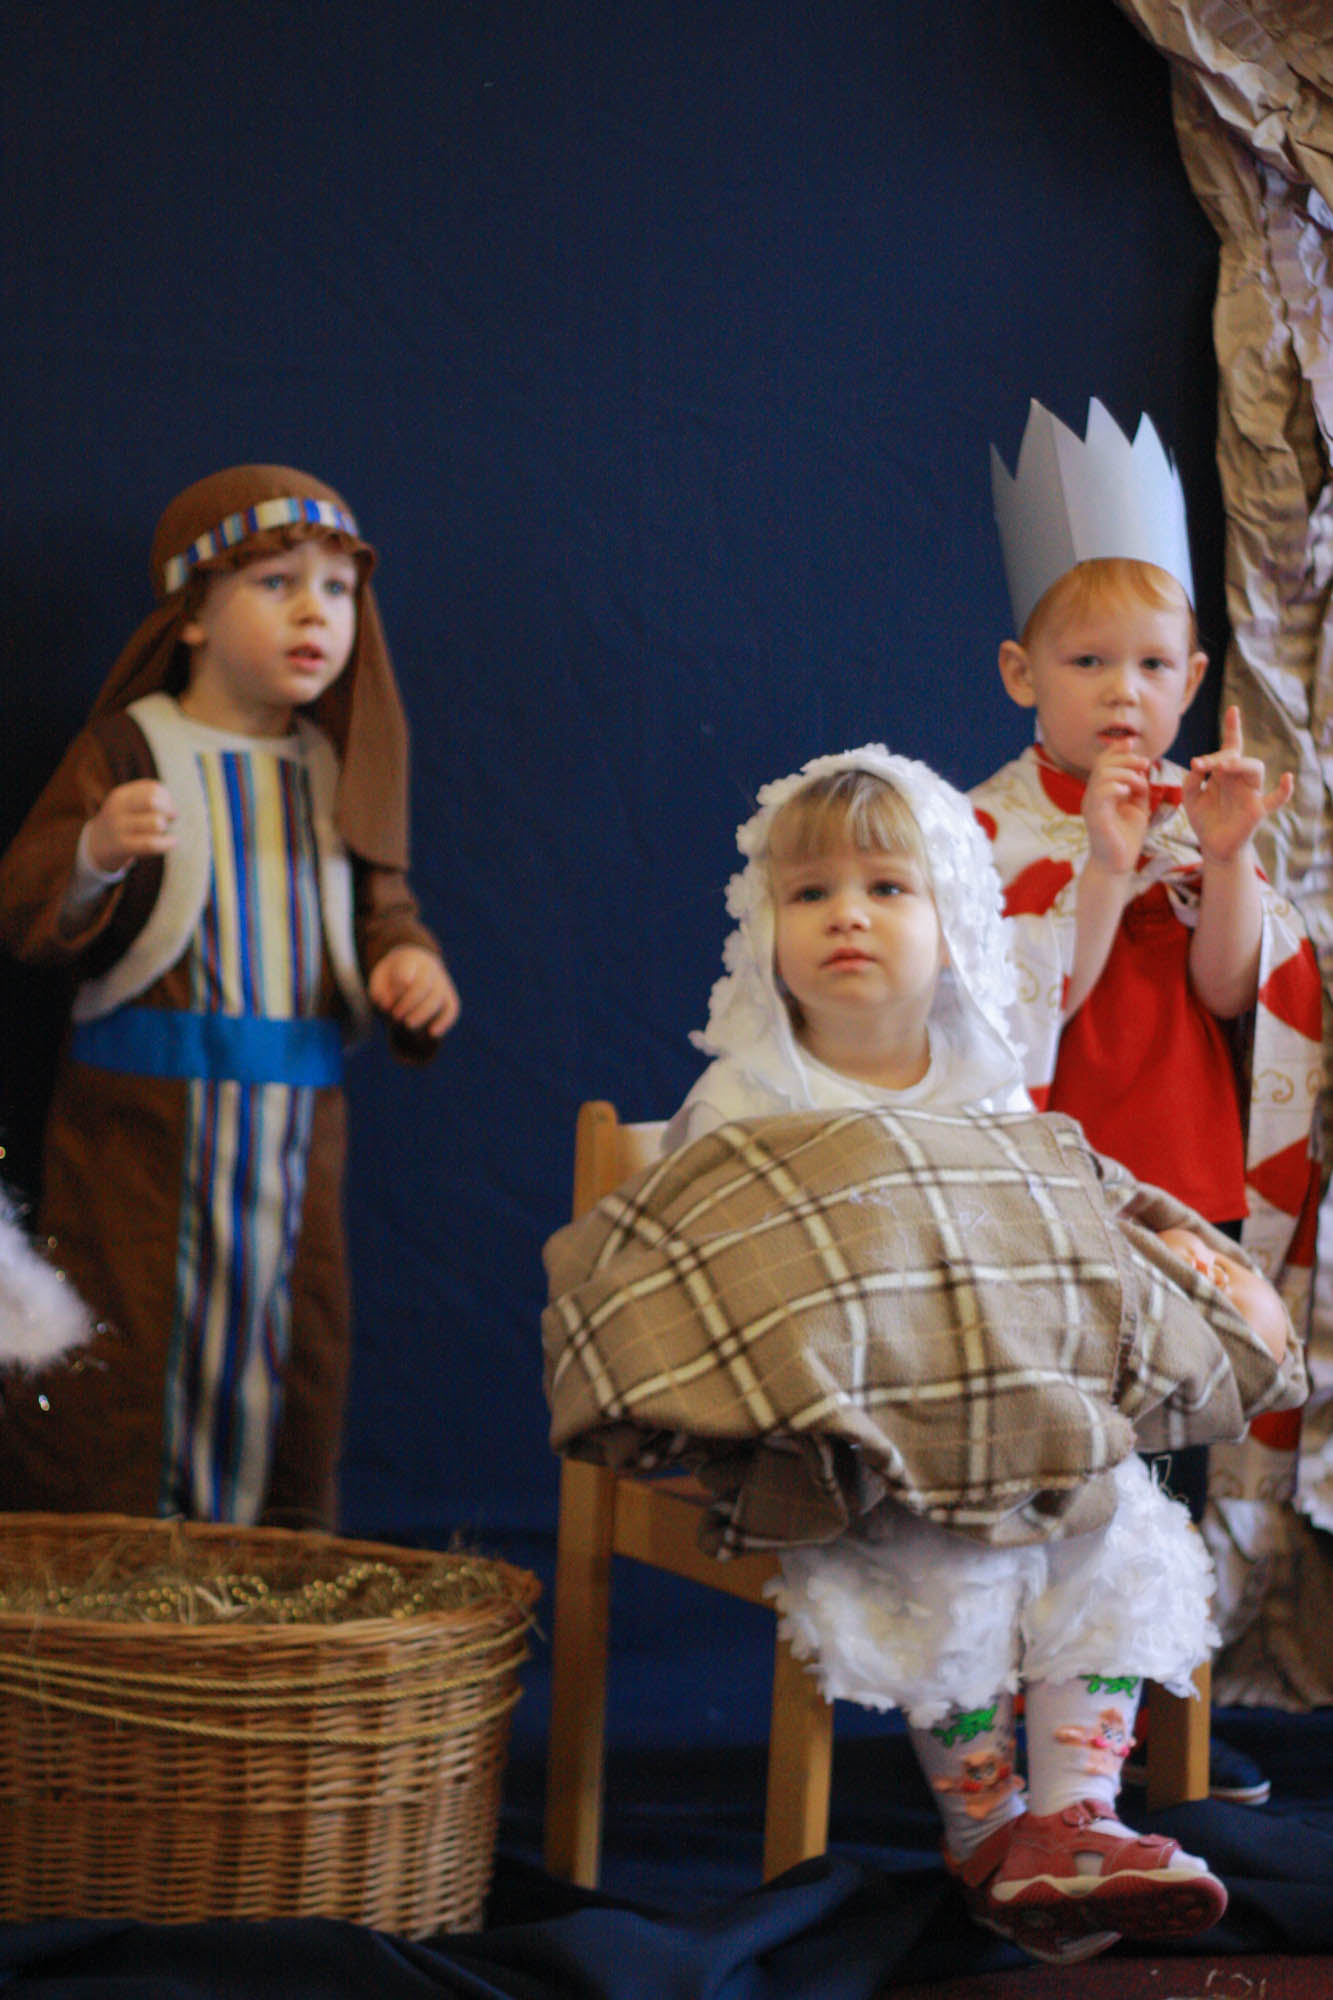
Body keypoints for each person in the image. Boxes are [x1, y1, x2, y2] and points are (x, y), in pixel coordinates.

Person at [543, 745, 1306, 1966]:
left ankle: (1077, 1815)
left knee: (1112, 1520)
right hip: (849, 1437)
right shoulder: (745, 1098)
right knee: (942, 1553)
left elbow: (1052, 1231)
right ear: (767, 927)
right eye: (810, 892)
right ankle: (986, 1827)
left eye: (887, 887)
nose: (846, 913)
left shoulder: (989, 1089)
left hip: (1009, 1410)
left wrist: (1171, 1261)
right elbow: (711, 1264)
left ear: (955, 922)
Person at [971, 398, 1325, 1784]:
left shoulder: (1201, 810)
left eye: (1154, 664)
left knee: (1167, 1463)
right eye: (1089, 660)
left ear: (1194, 680)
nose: (1123, 690)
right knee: (1057, 1456)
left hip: (1184, 1178)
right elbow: (1022, 1006)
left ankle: (1140, 1741)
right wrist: (1106, 867)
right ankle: (1024, 1733)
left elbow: (1239, 993)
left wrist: (1222, 857)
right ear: (1022, 673)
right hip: (1058, 1191)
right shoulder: (981, 825)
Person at [0, 465, 459, 1529]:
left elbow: (381, 906)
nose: (315, 612)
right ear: (194, 614)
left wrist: (405, 961)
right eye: (276, 583)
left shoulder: (335, 766)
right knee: (116, 1361)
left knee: (288, 1358)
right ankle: (108, 1585)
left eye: (338, 590)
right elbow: (26, 906)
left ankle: (267, 1578)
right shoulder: (131, 750)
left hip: (296, 1146)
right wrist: (95, 851)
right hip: (135, 1145)